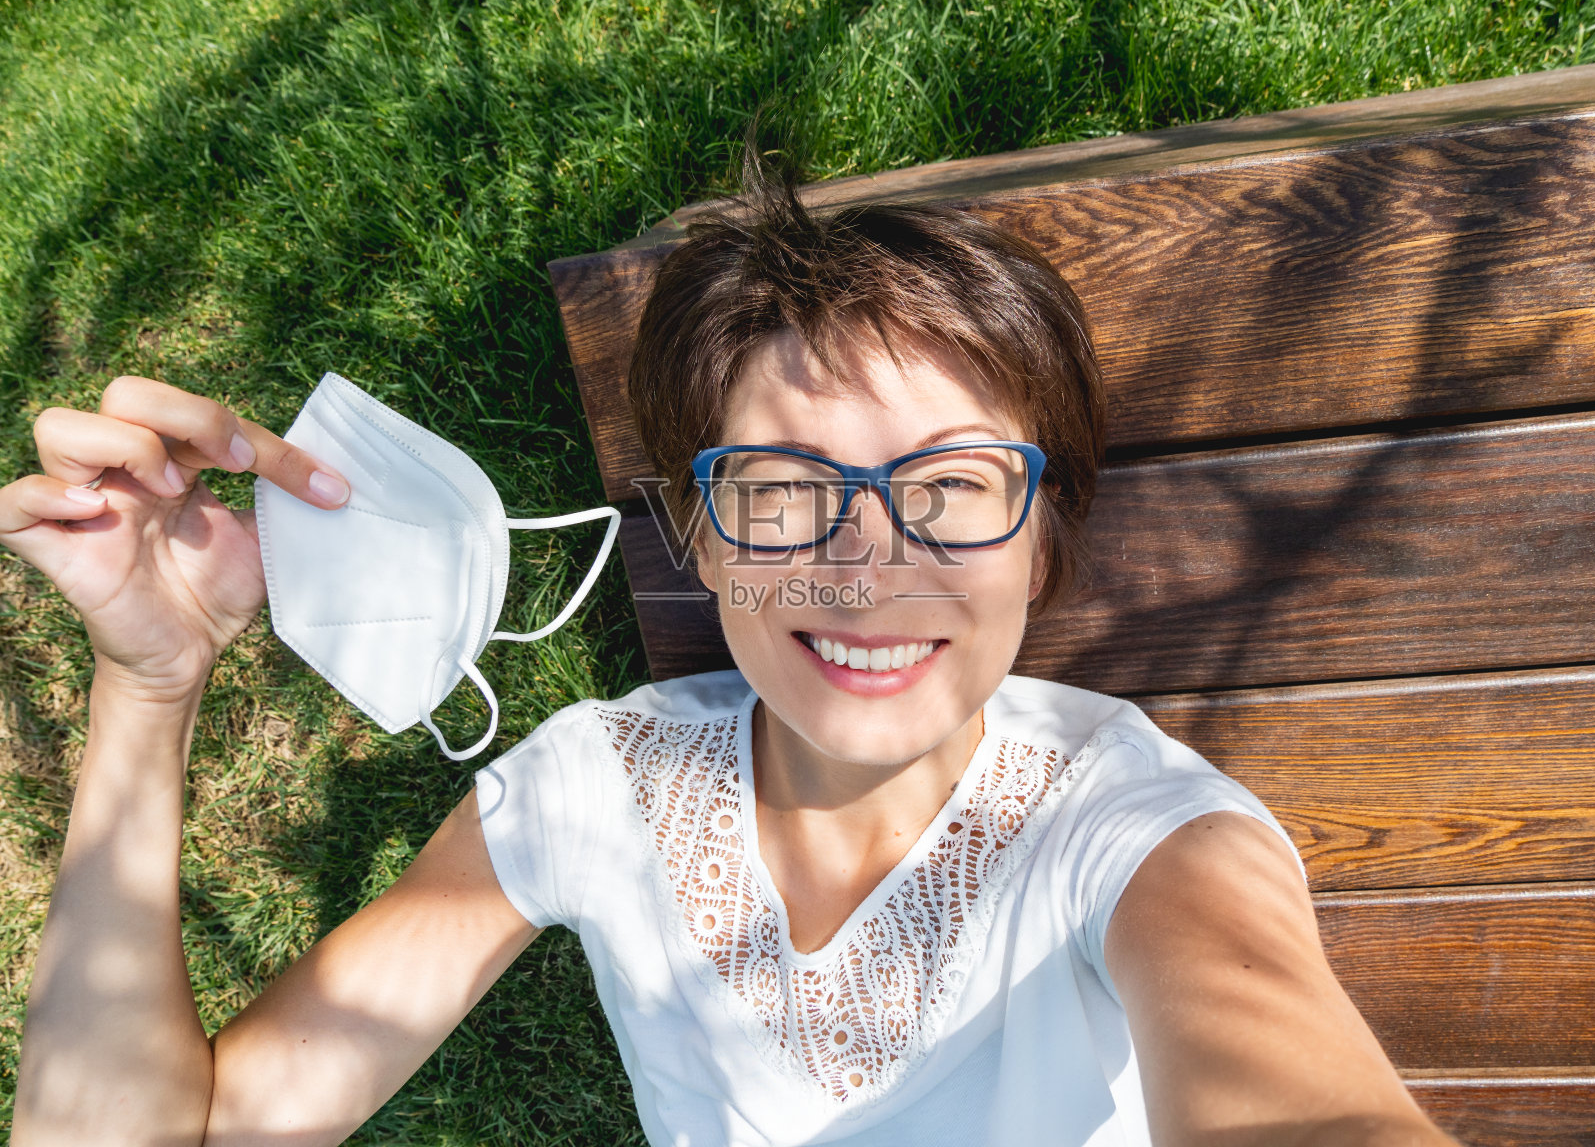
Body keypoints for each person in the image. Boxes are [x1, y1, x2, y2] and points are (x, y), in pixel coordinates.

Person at [5, 159, 1454, 1146]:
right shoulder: (598, 787)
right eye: (781, 492)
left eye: (951, 487)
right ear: (697, 538)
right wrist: (148, 682)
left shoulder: (1138, 834)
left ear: (1041, 538)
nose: (868, 563)